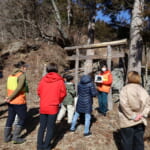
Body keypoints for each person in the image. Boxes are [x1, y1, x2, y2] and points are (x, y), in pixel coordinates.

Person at [37, 63, 66, 150]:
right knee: (50, 127)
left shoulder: (43, 80)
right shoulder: (60, 81)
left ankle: (39, 146)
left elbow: (39, 92)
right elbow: (63, 94)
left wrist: (44, 98)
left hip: (43, 105)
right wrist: (58, 101)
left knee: (42, 126)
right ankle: (46, 146)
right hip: (53, 106)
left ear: (47, 69)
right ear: (56, 69)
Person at [118, 71, 150, 150]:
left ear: (128, 78)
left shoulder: (124, 89)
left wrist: (133, 116)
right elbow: (148, 105)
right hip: (140, 121)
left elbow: (124, 105)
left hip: (127, 121)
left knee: (127, 143)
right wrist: (141, 115)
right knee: (139, 143)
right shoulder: (143, 90)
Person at [4, 61, 29, 144]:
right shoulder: (22, 75)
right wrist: (10, 97)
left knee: (10, 118)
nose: (26, 68)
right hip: (19, 101)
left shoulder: (11, 75)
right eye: (25, 67)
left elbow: (7, 87)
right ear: (22, 67)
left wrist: (7, 97)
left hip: (10, 101)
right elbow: (18, 89)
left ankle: (6, 137)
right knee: (22, 118)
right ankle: (16, 137)